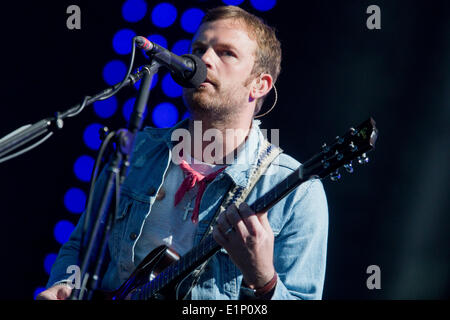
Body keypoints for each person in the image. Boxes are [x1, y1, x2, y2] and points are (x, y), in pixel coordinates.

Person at [37, 5, 328, 300]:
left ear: (259, 84)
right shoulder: (136, 151)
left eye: (226, 53)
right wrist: (64, 284)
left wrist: (264, 280)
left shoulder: (297, 192)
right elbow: (81, 245)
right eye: (199, 48)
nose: (204, 59)